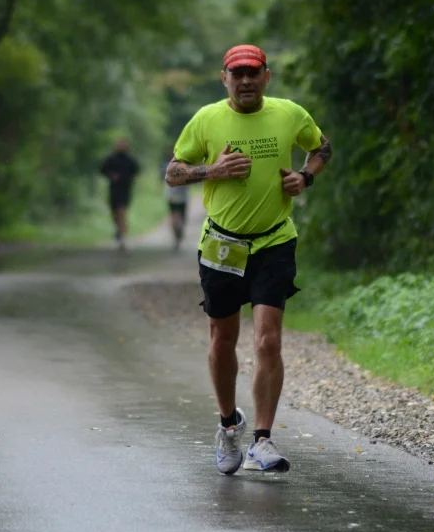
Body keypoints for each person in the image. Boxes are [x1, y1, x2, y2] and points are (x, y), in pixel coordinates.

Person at [164, 44, 333, 474]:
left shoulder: (290, 113)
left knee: (268, 339)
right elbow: (173, 173)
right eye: (236, 74)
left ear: (266, 76)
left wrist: (306, 176)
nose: (245, 81)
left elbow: (322, 149)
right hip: (222, 243)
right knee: (222, 340)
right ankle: (227, 426)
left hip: (274, 241)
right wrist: (211, 171)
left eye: (252, 73)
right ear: (224, 78)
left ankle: (262, 439)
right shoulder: (206, 119)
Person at [99, 138, 140, 248]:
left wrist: (132, 179)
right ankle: (117, 229)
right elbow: (102, 169)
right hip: (114, 189)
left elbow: (136, 172)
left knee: (122, 212)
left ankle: (122, 236)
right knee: (114, 213)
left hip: (125, 190)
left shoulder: (130, 160)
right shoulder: (111, 159)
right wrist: (111, 175)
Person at [163, 152, 189, 249]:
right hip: (175, 197)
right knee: (177, 217)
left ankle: (177, 234)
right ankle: (177, 235)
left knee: (178, 217)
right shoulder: (185, 167)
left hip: (178, 197)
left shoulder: (168, 166)